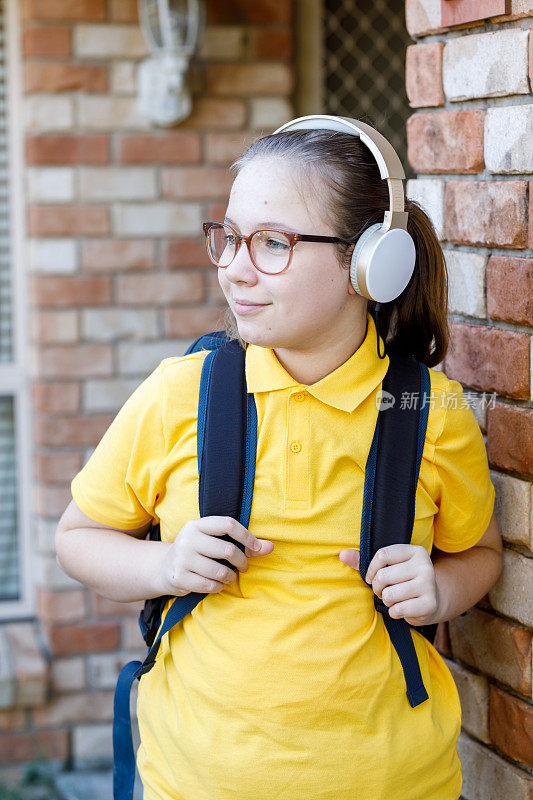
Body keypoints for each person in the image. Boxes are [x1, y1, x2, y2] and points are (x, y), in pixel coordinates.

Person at [55, 119, 503, 800]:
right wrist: (165, 564)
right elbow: (77, 538)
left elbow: (481, 553)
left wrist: (443, 588)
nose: (233, 265)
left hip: (396, 783)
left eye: (271, 243)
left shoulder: (427, 412)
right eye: (229, 238)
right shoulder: (180, 394)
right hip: (195, 783)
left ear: (369, 263)